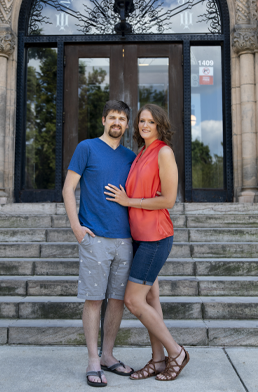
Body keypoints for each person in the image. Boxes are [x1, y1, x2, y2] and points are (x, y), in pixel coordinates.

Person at [104, 103, 190, 382]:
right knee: (151, 298)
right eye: (141, 121)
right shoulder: (141, 153)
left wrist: (130, 201)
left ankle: (176, 352)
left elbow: (168, 199)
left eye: (150, 122)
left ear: (159, 125)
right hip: (138, 238)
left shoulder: (164, 152)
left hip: (155, 237)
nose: (144, 125)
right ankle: (157, 360)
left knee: (133, 299)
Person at [62, 100, 136, 387]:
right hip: (95, 238)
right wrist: (77, 229)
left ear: (127, 125)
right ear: (104, 120)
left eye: (122, 119)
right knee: (94, 299)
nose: (117, 122)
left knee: (117, 301)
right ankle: (93, 360)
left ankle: (108, 355)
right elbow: (69, 188)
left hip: (124, 239)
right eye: (112, 117)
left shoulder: (130, 156)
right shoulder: (87, 148)